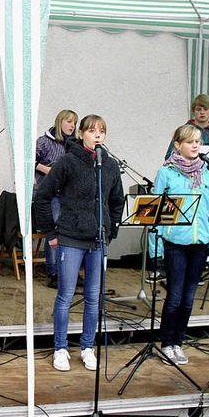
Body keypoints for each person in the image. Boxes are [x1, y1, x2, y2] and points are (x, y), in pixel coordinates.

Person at [34, 114, 124, 372]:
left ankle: (87, 346)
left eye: (102, 131)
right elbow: (43, 196)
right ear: (82, 133)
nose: (98, 135)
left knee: (93, 297)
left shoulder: (109, 165)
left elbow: (117, 200)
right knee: (65, 296)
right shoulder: (68, 162)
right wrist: (51, 233)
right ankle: (60, 348)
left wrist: (111, 229)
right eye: (92, 130)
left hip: (98, 240)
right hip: (72, 238)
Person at [151, 125, 209, 365]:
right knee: (174, 297)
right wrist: (156, 252)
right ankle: (166, 343)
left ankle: (178, 343)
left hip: (199, 246)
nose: (195, 146)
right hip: (175, 245)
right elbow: (156, 216)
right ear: (178, 145)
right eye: (190, 141)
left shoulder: (208, 176)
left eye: (198, 142)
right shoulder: (167, 173)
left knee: (189, 299)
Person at [34, 110, 78, 289]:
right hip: (50, 194)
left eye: (74, 123)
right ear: (60, 122)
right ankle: (53, 272)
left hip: (68, 194)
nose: (72, 126)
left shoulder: (74, 145)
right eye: (69, 122)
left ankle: (68, 271)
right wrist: (48, 171)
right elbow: (29, 162)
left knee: (68, 231)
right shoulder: (44, 142)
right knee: (54, 232)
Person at [164, 94, 209, 161]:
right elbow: (169, 157)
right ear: (193, 111)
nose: (202, 112)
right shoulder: (183, 132)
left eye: (205, 109)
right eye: (198, 109)